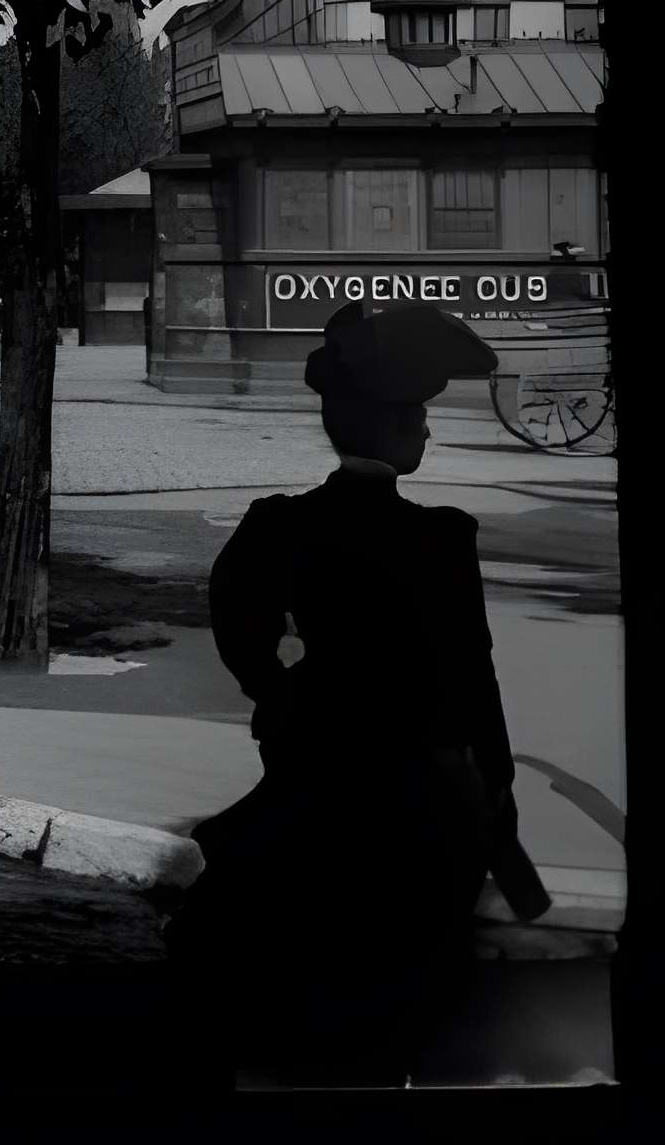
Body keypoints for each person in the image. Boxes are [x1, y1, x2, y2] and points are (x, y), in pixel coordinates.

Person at [165, 301, 547, 1085]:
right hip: (419, 804)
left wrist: (280, 695)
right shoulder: (442, 537)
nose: (430, 432)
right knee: (400, 993)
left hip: (316, 781)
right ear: (399, 430)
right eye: (420, 417)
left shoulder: (281, 523)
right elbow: (475, 680)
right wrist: (497, 793)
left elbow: (237, 623)